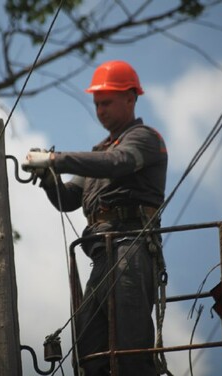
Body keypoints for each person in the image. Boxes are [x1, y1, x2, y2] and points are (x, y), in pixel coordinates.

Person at [22, 60, 167, 376]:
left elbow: (117, 163)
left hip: (131, 246)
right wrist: (48, 177)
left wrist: (56, 160)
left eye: (107, 102)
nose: (100, 110)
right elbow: (70, 200)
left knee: (131, 348)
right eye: (97, 104)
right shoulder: (100, 150)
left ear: (130, 97)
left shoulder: (143, 139)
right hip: (101, 254)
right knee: (92, 353)